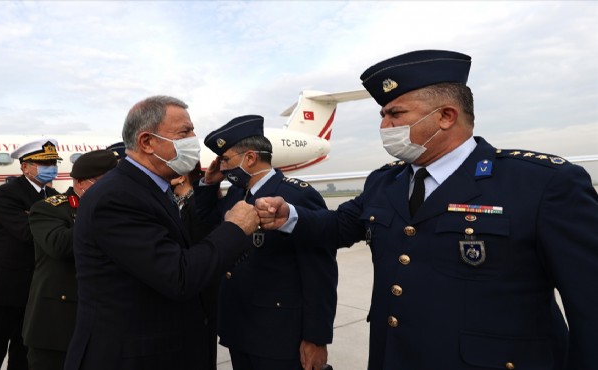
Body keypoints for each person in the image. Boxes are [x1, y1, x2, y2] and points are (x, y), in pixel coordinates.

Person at [256, 50, 598, 370]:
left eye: (395, 114)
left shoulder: (542, 185)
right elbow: (341, 225)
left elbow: (589, 306)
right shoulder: (384, 182)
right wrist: (290, 216)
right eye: (382, 116)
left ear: (446, 116)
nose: (384, 127)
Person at [63, 95, 260, 370]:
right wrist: (236, 228)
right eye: (184, 132)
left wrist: (205, 190)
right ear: (147, 142)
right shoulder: (117, 197)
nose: (194, 138)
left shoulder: (150, 189)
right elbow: (179, 275)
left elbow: (189, 245)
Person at [194, 115, 338, 370]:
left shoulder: (296, 195)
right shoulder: (238, 193)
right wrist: (209, 182)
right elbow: (208, 219)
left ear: (249, 158)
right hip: (241, 327)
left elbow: (319, 271)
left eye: (226, 160)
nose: (223, 167)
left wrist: (316, 338)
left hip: (279, 332)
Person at [0, 139, 62, 370]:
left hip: (32, 292)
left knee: (24, 356)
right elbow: (28, 233)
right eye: (44, 163)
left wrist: (37, 217)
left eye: (53, 162)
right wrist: (51, 224)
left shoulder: (51, 195)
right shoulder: (6, 194)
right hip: (0, 290)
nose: (51, 167)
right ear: (25, 167)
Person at [22, 150, 118, 370]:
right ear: (81, 183)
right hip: (57, 325)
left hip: (105, 321)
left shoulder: (119, 210)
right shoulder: (48, 208)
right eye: (105, 183)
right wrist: (98, 211)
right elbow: (59, 246)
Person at [169, 162, 220, 370]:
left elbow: (199, 247)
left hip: (202, 289)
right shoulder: (181, 203)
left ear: (181, 177)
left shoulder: (195, 205)